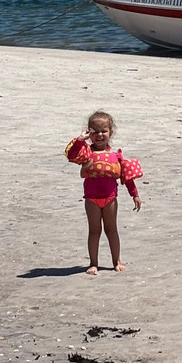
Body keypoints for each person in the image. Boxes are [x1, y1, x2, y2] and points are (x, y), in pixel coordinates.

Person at [65, 110, 143, 275]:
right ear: (89, 133)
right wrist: (79, 140)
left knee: (111, 230)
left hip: (110, 198)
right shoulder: (86, 153)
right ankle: (93, 263)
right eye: (95, 131)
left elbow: (127, 177)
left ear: (111, 132)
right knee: (94, 231)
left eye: (104, 131)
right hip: (91, 199)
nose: (100, 135)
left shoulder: (116, 155)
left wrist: (134, 194)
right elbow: (71, 155)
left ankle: (117, 261)